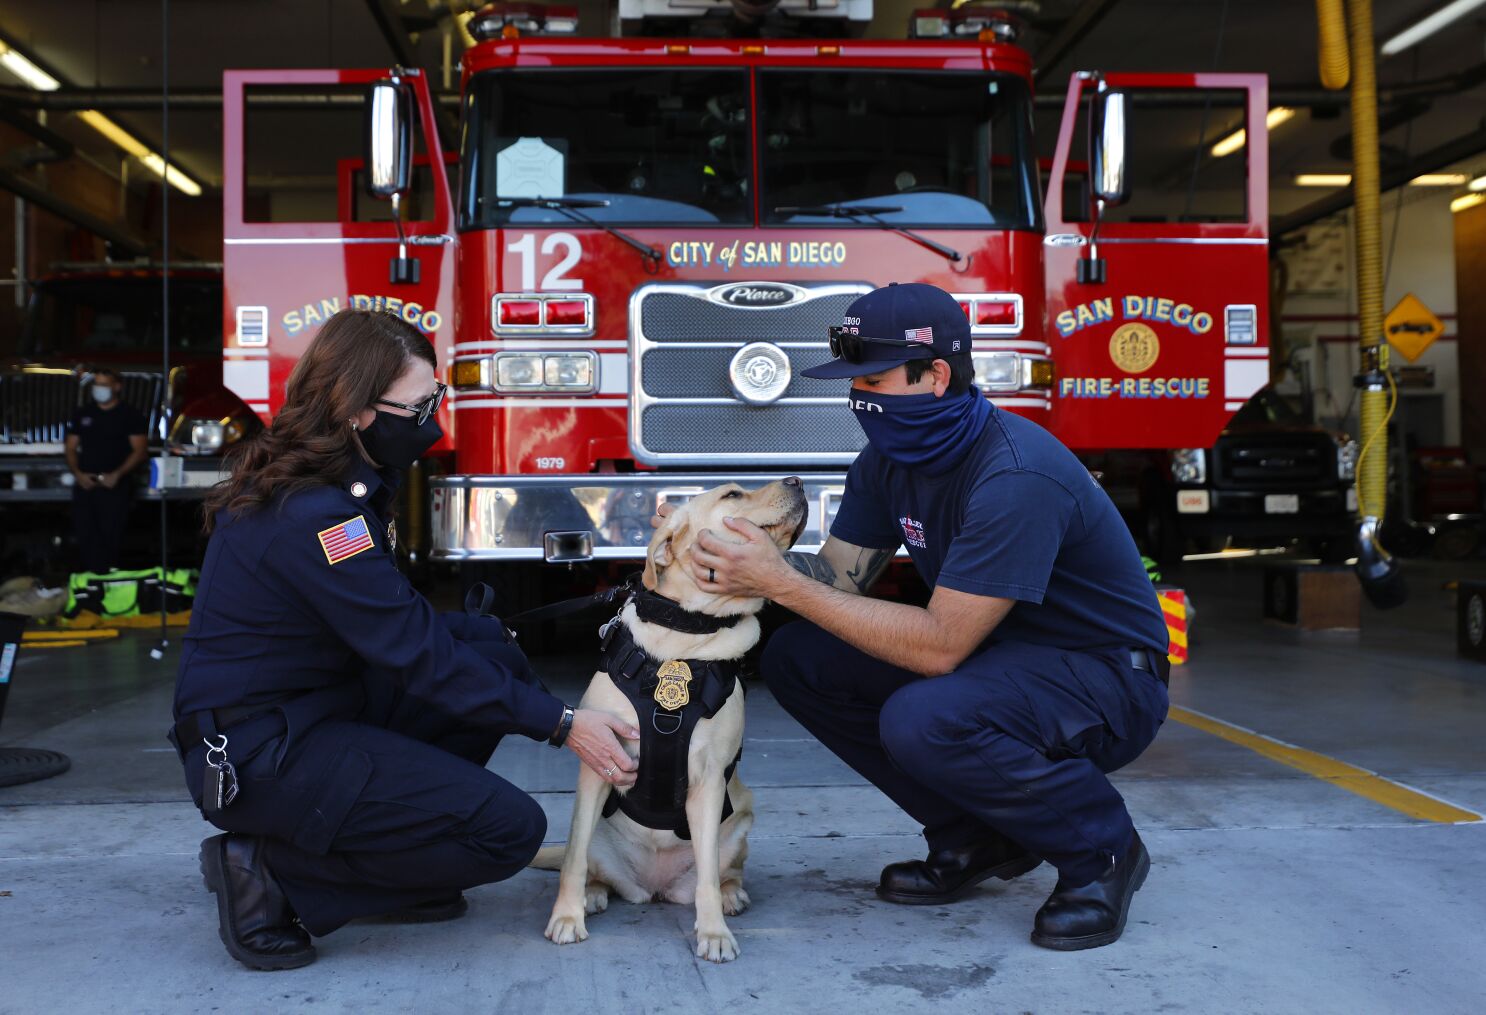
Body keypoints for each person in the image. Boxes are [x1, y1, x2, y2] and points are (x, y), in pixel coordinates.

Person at [677, 283, 1171, 951]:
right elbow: (839, 576)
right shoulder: (890, 460)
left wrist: (780, 583)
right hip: (1000, 659)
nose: (859, 399)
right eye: (853, 382)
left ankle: (1103, 852)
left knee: (926, 718)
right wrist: (737, 563)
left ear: (935, 375)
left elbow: (940, 647)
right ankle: (975, 834)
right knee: (799, 657)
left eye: (873, 379)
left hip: (1106, 676)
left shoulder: (1014, 475)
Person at [171, 309, 640, 970]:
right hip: (259, 753)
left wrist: (500, 660)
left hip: (310, 710)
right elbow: (413, 653)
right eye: (420, 406)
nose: (432, 420)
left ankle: (401, 870)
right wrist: (564, 724)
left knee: (484, 645)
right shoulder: (317, 515)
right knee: (508, 830)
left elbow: (403, 631)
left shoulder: (336, 487)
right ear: (359, 410)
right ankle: (266, 871)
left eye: (436, 398)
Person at [64, 367, 149, 572]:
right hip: (86, 485)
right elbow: (70, 447)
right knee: (85, 534)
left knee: (111, 536)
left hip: (115, 486)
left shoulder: (130, 415)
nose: (98, 389)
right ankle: (88, 584)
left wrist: (116, 475)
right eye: (96, 384)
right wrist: (78, 474)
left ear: (117, 387)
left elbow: (139, 451)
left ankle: (109, 582)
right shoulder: (83, 414)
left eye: (103, 385)